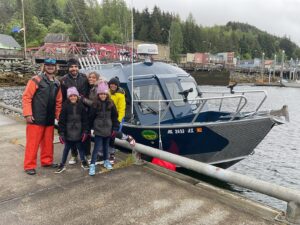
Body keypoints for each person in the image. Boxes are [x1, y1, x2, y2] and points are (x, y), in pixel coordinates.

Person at [22, 58, 62, 175]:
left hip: (49, 119)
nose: (50, 67)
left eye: (52, 66)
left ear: (55, 68)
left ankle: (47, 161)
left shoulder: (57, 83)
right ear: (44, 67)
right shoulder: (36, 80)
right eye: (48, 65)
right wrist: (28, 114)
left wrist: (58, 116)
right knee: (32, 143)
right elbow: (26, 97)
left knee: (48, 143)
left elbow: (59, 101)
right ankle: (29, 165)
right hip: (36, 118)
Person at [60, 58, 90, 164]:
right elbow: (62, 97)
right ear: (68, 68)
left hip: (83, 108)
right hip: (70, 109)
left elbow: (90, 91)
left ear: (78, 67)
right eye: (72, 67)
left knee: (85, 132)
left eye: (76, 66)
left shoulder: (84, 78)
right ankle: (74, 155)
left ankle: (87, 154)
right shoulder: (63, 80)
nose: (74, 69)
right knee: (71, 132)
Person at [55, 87, 89, 173]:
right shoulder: (65, 107)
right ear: (68, 97)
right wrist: (61, 133)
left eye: (74, 95)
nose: (73, 97)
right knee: (66, 149)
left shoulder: (81, 107)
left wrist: (85, 132)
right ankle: (62, 164)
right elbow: (61, 122)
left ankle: (83, 161)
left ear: (77, 96)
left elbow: (85, 121)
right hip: (68, 133)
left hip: (79, 132)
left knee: (80, 148)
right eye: (71, 96)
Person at [88, 82, 119, 176]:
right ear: (98, 94)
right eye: (101, 94)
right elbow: (91, 117)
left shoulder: (111, 103)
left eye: (104, 94)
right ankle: (92, 164)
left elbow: (115, 116)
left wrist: (115, 128)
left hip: (108, 129)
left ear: (107, 94)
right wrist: (90, 128)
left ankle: (106, 161)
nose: (103, 95)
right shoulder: (95, 104)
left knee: (106, 147)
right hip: (98, 129)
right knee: (97, 148)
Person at [108, 77, 126, 164]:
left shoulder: (120, 95)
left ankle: (112, 153)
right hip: (107, 117)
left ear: (117, 86)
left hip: (117, 118)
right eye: (111, 84)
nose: (113, 85)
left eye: (115, 84)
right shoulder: (106, 93)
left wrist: (118, 121)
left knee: (113, 135)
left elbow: (122, 109)